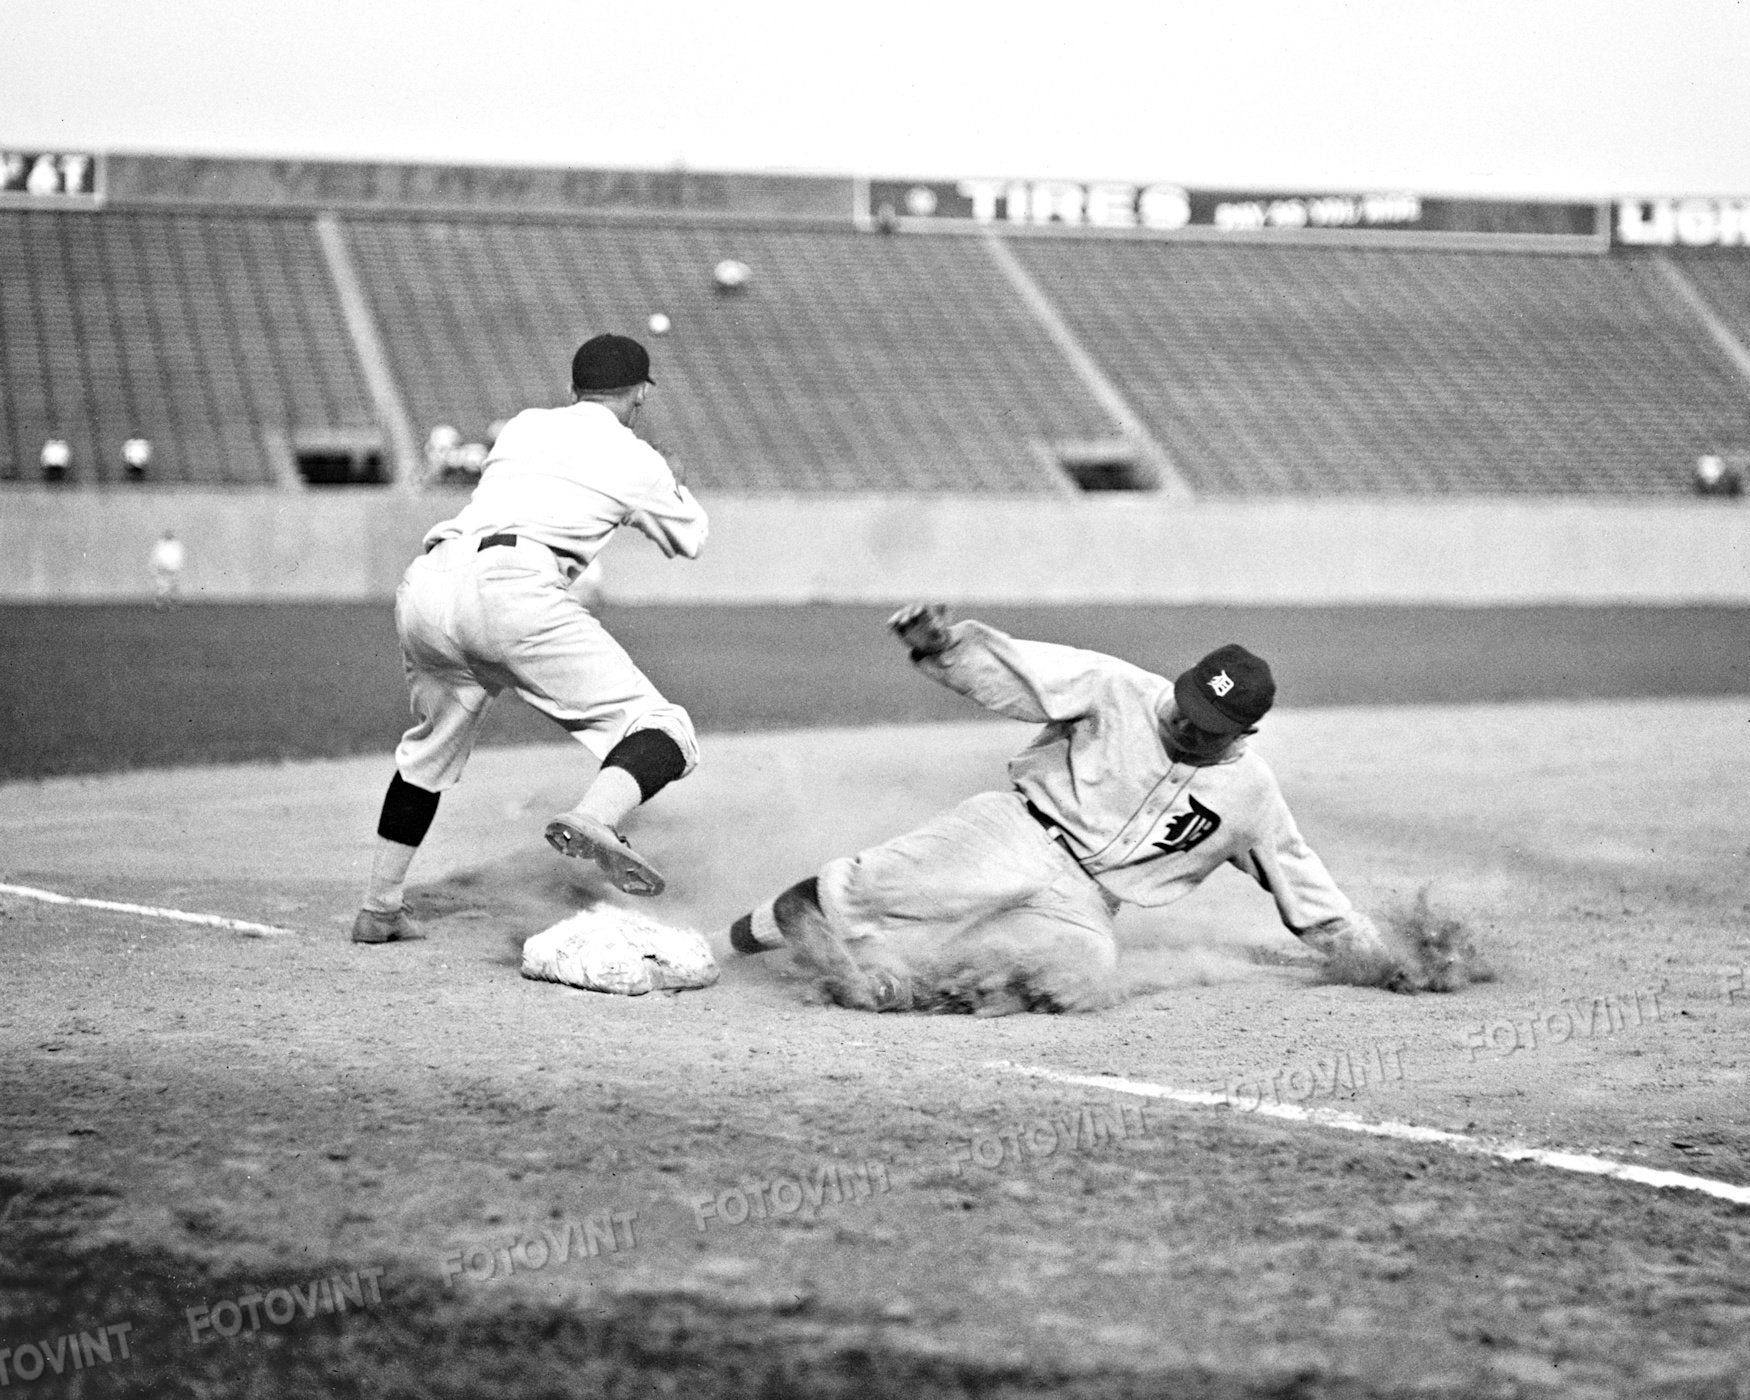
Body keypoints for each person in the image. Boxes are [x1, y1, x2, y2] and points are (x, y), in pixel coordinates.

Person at [728, 606, 1393, 1013]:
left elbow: (1306, 888)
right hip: (1020, 832)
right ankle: (751, 931)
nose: (1189, 728)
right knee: (896, 888)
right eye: (1188, 710)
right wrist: (944, 646)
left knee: (1081, 975)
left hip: (1086, 903)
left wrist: (1380, 960)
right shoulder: (1120, 690)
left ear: (1245, 732)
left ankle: (904, 987)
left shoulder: (1250, 796)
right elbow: (1020, 673)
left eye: (1209, 726)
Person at [351, 334, 708, 945]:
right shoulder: (636, 457)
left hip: (430, 585)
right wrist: (670, 481)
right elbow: (689, 540)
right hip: (513, 590)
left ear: (574, 388)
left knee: (428, 753)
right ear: (642, 391)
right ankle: (596, 819)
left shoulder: (523, 426)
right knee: (664, 729)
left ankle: (379, 908)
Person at [148, 531, 186, 607]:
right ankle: (160, 604)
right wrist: (155, 568)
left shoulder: (177, 545)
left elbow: (180, 557)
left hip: (173, 569)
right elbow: (155, 557)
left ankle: (172, 604)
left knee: (173, 587)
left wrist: (177, 568)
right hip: (162, 569)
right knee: (161, 586)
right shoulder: (159, 545)